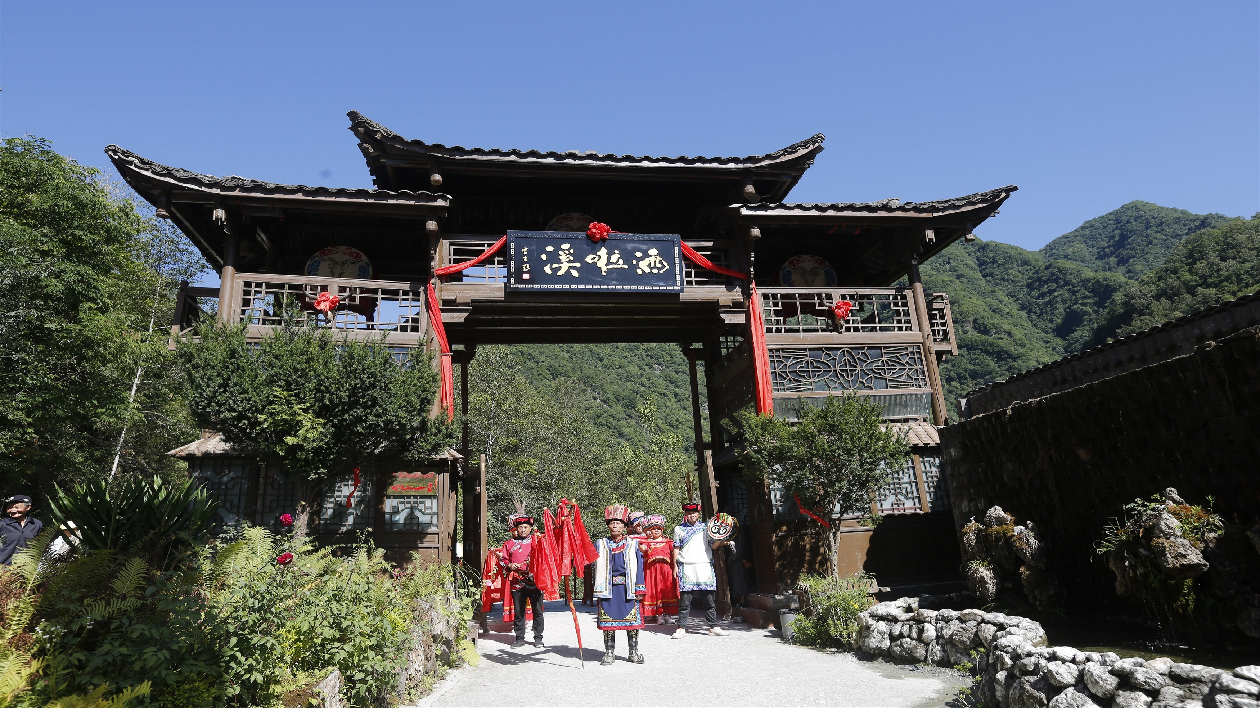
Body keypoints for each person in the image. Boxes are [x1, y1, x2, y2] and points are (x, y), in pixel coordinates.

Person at [593, 504, 646, 665]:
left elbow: (639, 568)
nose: (615, 525)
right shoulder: (600, 544)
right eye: (611, 522)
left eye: (618, 522)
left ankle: (633, 652)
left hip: (628, 589)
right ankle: (609, 653)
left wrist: (639, 588)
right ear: (608, 525)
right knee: (608, 623)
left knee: (632, 622)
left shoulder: (632, 544)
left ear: (624, 526)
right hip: (608, 590)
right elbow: (585, 555)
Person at [672, 502, 732, 637]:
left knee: (709, 599)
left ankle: (713, 626)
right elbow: (676, 548)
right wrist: (675, 565)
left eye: (694, 513)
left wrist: (720, 536)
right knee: (685, 600)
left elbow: (714, 546)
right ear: (685, 514)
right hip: (686, 566)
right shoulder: (679, 529)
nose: (692, 515)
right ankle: (681, 628)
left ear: (698, 514)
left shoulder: (706, 528)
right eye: (689, 513)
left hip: (704, 564)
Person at [501, 514, 546, 648]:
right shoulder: (509, 544)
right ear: (516, 528)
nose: (523, 530)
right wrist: (509, 565)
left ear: (530, 528)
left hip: (534, 580)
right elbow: (503, 560)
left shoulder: (537, 541)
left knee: (537, 610)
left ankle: (538, 637)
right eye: (520, 527)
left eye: (526, 527)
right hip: (517, 580)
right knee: (519, 611)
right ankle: (519, 637)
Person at [638, 514, 679, 624]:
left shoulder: (668, 541)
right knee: (655, 592)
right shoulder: (647, 542)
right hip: (652, 572)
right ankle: (659, 615)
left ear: (662, 529)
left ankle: (668, 614)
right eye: (654, 529)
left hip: (666, 571)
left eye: (658, 529)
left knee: (667, 592)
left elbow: (676, 549)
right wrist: (640, 544)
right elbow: (642, 549)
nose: (656, 531)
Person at [0, 495, 42, 566]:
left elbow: (40, 546)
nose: (12, 510)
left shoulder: (36, 524)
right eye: (9, 508)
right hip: (4, 569)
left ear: (28, 507)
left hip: (27, 569)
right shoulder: (2, 524)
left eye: (16, 507)